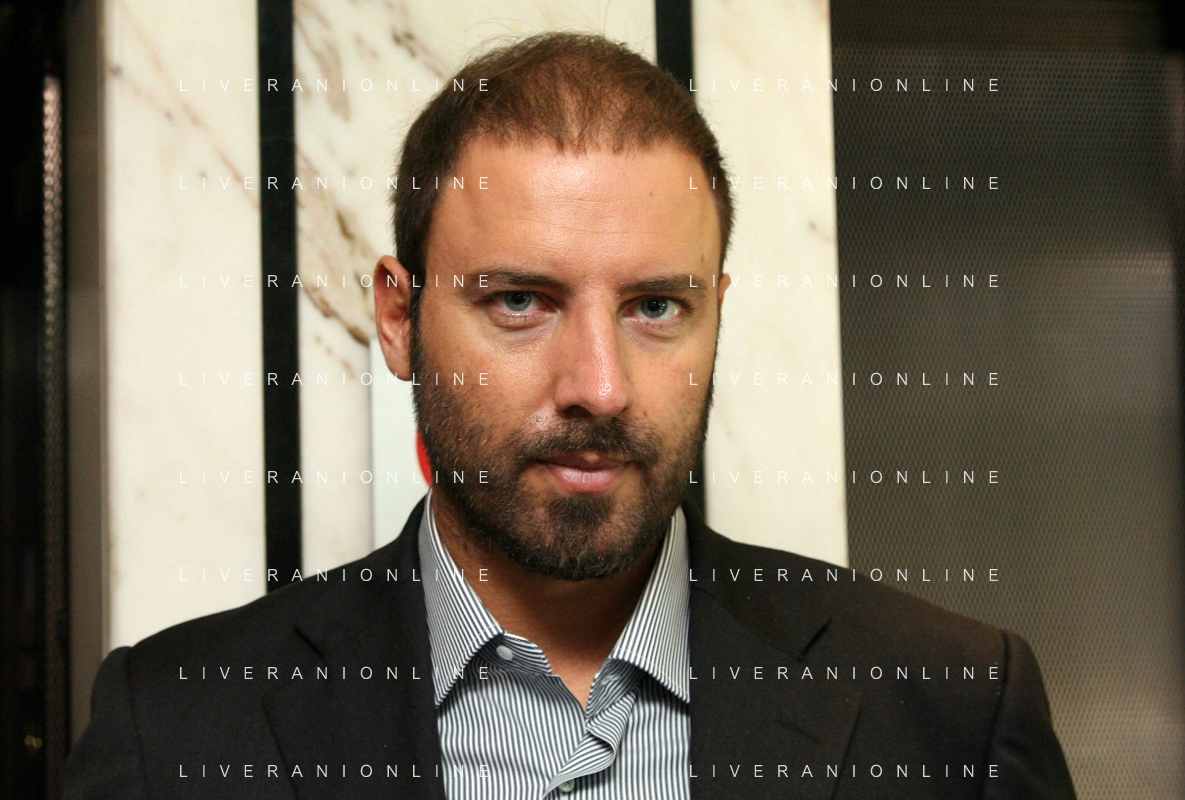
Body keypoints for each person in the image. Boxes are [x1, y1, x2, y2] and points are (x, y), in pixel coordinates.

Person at [64, 31, 1076, 799]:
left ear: (717, 315)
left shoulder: (950, 711)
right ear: (399, 318)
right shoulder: (177, 730)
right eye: (520, 300)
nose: (600, 385)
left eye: (656, 307)